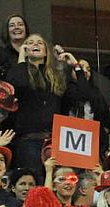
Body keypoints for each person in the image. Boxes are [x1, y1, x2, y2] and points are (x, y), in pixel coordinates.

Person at [5, 33, 69, 173]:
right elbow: (18, 84)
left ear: (46, 51)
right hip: (29, 141)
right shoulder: (19, 72)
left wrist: (63, 63)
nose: (35, 44)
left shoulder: (55, 76)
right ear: (25, 50)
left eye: (40, 43)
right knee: (33, 184)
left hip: (54, 141)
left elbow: (72, 95)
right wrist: (22, 59)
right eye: (31, 42)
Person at [63, 58, 110, 157]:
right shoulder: (68, 90)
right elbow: (82, 93)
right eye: (81, 68)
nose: (85, 71)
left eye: (88, 69)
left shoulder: (96, 92)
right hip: (71, 141)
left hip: (94, 143)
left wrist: (103, 132)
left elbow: (106, 118)